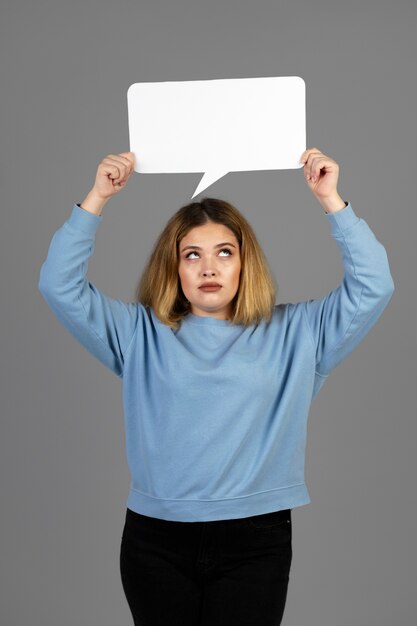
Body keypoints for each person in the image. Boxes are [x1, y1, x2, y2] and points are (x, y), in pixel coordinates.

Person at [38, 148, 395, 626]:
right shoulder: (140, 334)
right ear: (176, 267)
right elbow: (58, 285)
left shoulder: (299, 332)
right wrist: (98, 197)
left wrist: (330, 199)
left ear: (245, 263)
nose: (209, 269)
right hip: (155, 542)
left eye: (224, 253)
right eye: (193, 255)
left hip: (255, 541)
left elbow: (374, 285)